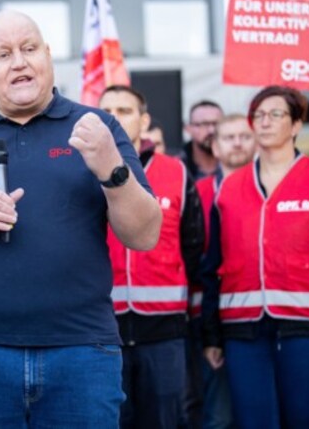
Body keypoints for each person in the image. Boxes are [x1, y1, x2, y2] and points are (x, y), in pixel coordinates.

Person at [0, 10, 162, 428]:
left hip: (82, 352)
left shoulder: (97, 127)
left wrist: (111, 169)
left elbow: (145, 234)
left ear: (47, 55)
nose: (19, 62)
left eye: (29, 49)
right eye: (3, 55)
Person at [201, 85, 309, 429]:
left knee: (307, 421)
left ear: (296, 124)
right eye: (258, 115)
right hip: (242, 330)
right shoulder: (228, 189)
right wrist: (212, 334)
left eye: (276, 114)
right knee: (254, 422)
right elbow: (213, 265)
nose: (265, 122)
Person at [99, 85, 204, 429]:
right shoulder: (80, 173)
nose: (113, 118)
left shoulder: (177, 172)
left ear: (143, 121)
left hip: (164, 331)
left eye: (124, 111)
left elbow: (193, 246)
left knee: (165, 421)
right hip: (101, 330)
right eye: (106, 111)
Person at [187, 114, 255, 429]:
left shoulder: (270, 190)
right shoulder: (197, 192)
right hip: (206, 316)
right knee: (216, 413)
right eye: (229, 137)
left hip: (257, 316)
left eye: (245, 136)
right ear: (214, 145)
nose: (238, 143)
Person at [181, 100, 223, 179]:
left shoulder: (237, 163)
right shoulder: (178, 167)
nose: (211, 130)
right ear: (188, 128)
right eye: (204, 124)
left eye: (216, 124)